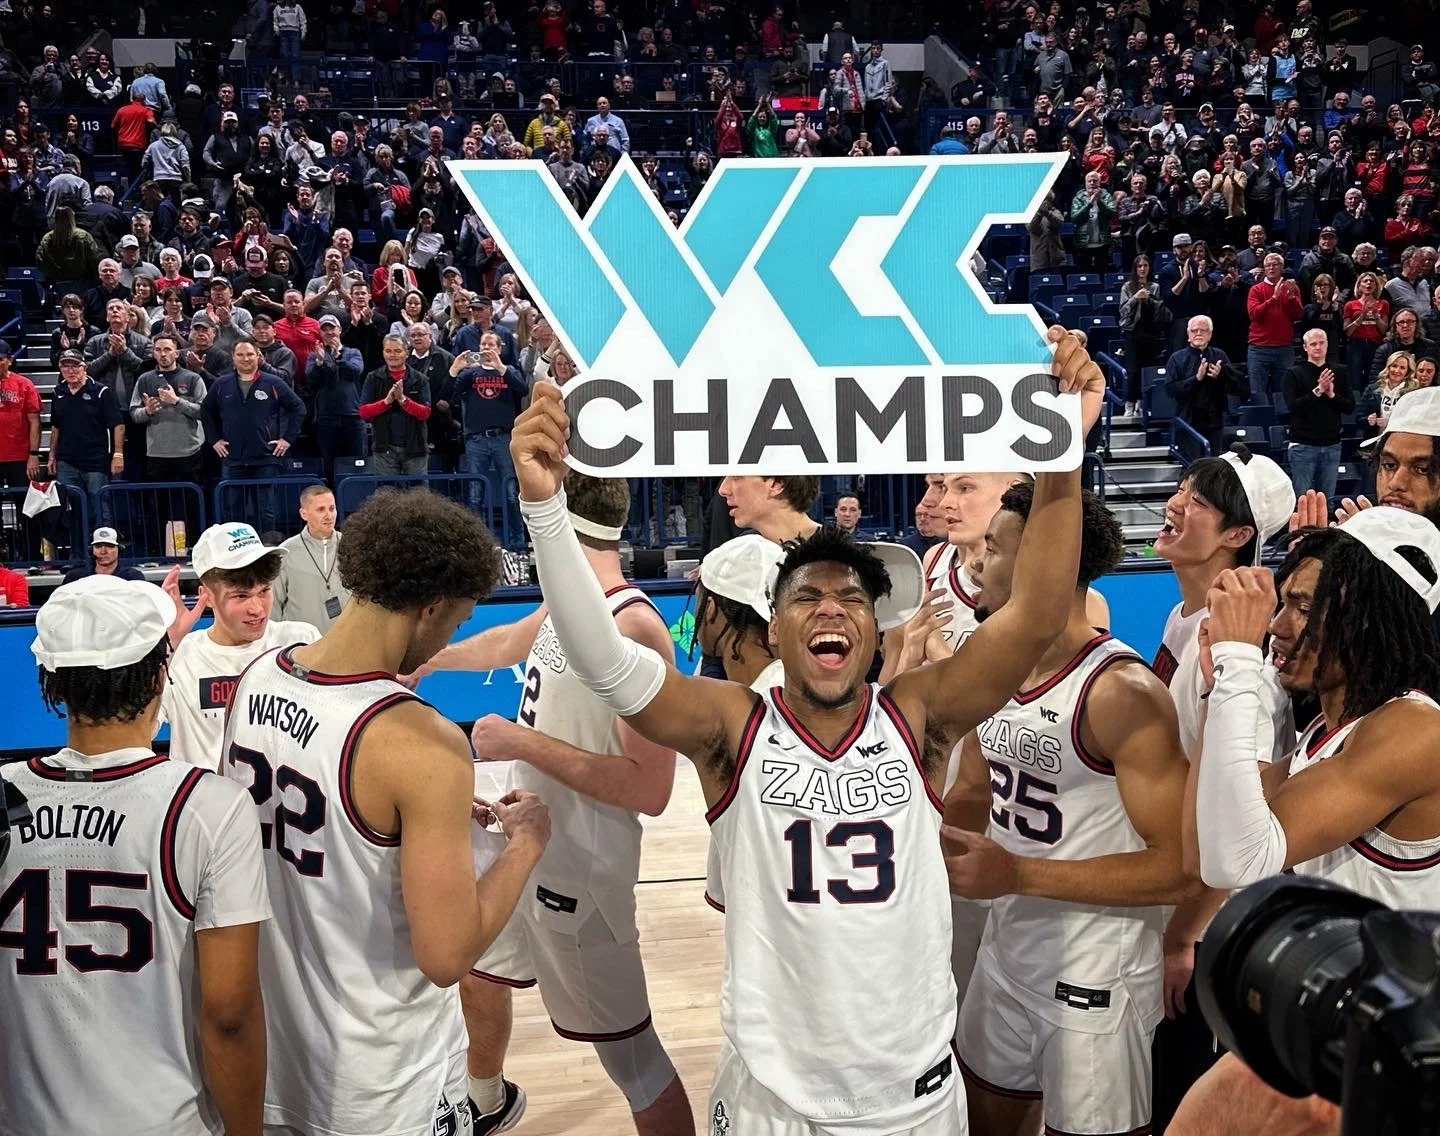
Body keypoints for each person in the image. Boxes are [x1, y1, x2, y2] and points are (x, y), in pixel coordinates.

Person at [506, 326, 1104, 1133]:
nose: (832, 608)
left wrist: (1062, 454)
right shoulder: (733, 723)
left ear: (875, 631)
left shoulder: (920, 715)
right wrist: (544, 507)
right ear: (776, 635)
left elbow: (1033, 615)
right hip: (768, 1097)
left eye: (852, 598)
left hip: (910, 1097)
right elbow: (605, 663)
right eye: (807, 599)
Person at [222, 488, 550, 1136]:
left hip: (275, 1063)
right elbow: (447, 956)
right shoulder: (420, 740)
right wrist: (525, 845)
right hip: (381, 1085)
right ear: (428, 608)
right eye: (453, 623)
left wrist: (433, 821)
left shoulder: (258, 675)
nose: (445, 639)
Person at [944, 483, 1200, 1136]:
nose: (973, 561)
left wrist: (1022, 876)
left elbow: (1179, 869)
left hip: (1097, 977)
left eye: (992, 549)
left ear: (1045, 559)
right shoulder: (992, 666)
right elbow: (972, 794)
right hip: (1007, 951)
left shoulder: (1123, 692)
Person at [449, 474, 694, 1134]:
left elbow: (651, 787)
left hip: (581, 869)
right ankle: (484, 1101)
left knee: (633, 1060)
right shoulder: (570, 598)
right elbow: (508, 642)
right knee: (478, 973)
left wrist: (515, 740)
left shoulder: (635, 625)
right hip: (525, 837)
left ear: (553, 517)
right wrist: (428, 662)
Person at [0, 575, 269, 1136]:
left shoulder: (6, 792)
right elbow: (229, 1016)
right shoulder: (210, 805)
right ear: (157, 677)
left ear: (52, 683)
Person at [1148, 445, 1297, 1132]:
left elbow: (1244, 806)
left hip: (1216, 922)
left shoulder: (1247, 654)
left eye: (1199, 501)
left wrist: (1185, 935)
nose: (1175, 504)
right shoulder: (1185, 620)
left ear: (1238, 536)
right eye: (1179, 490)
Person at [160, 522, 319, 770]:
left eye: (264, 590)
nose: (257, 609)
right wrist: (166, 648)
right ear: (207, 597)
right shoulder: (181, 655)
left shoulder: (300, 641)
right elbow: (136, 732)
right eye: (241, 596)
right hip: (205, 807)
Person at [47, 348, 125, 529]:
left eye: (75, 366)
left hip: (96, 460)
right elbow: (55, 426)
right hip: (67, 461)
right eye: (65, 367)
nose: (71, 371)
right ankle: (77, 552)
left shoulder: (101, 392)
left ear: (85, 368)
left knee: (100, 505)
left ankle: (104, 548)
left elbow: (118, 425)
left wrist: (118, 454)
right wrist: (52, 455)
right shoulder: (57, 392)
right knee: (70, 508)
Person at [1283, 329, 1354, 497]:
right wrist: (1318, 390)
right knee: (1302, 500)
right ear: (1305, 347)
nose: (1318, 347)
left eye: (1322, 343)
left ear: (1327, 345)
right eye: (1313, 344)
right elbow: (1293, 407)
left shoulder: (1340, 371)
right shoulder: (1293, 373)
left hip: (1332, 445)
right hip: (1303, 446)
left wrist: (1331, 395)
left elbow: (1350, 407)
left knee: (1327, 500)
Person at [130, 332, 207, 484]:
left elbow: (203, 412)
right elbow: (134, 413)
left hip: (189, 452)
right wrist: (147, 411)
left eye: (167, 349)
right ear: (153, 353)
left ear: (177, 353)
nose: (162, 354)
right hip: (157, 453)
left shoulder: (193, 378)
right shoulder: (144, 379)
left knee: (190, 503)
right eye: (158, 350)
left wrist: (177, 401)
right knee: (160, 503)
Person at [1165, 315, 1245, 456]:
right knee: (1194, 467)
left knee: (1213, 465)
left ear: (1210, 334)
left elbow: (1237, 388)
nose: (1198, 334)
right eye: (1194, 330)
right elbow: (1171, 390)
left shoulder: (1220, 356)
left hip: (1215, 421)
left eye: (1203, 330)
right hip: (1189, 421)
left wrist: (1220, 376)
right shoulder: (1177, 358)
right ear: (1188, 334)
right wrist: (1196, 379)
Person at [273, 484, 350, 631]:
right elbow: (274, 606)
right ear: (304, 514)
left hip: (345, 642)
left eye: (332, 508)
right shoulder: (285, 553)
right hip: (300, 647)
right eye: (321, 509)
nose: (329, 515)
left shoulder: (352, 547)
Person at [358, 334, 431, 476]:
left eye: (397, 351)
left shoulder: (420, 379)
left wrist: (403, 400)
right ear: (383, 353)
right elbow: (363, 412)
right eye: (388, 351)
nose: (392, 355)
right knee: (386, 494)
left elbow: (425, 413)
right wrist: (386, 402)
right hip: (384, 449)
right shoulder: (373, 377)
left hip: (415, 448)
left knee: (418, 495)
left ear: (406, 353)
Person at [1247, 252, 1304, 403]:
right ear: (1264, 268)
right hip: (1259, 348)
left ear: (1282, 267)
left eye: (1275, 265)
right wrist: (1273, 298)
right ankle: (1260, 423)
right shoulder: (1256, 289)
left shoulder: (1292, 287)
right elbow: (1254, 314)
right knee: (1257, 392)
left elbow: (1298, 315)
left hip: (1284, 348)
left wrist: (1292, 298)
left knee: (1284, 392)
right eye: (1268, 265)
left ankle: (1283, 425)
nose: (1272, 268)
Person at [62, 526, 147, 582]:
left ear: (119, 549)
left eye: (110, 546)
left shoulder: (132, 577)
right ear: (91, 550)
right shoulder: (75, 577)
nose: (103, 551)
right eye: (98, 546)